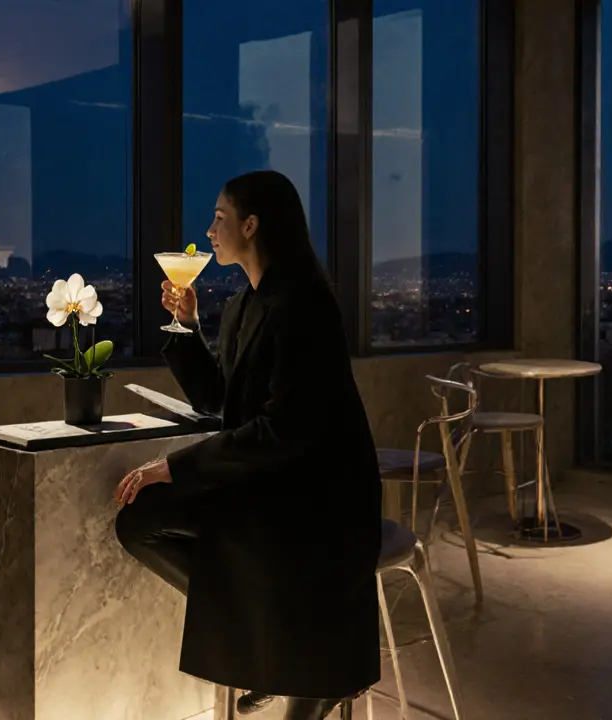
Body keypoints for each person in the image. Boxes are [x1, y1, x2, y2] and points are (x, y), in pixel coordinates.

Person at [113, 170, 382, 719]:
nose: (209, 231)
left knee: (211, 526)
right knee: (139, 519)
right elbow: (217, 397)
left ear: (251, 225)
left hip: (318, 498)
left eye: (219, 217)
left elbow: (287, 428)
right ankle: (266, 641)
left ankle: (291, 660)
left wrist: (176, 467)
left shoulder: (305, 304)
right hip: (269, 482)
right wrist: (185, 326)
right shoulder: (242, 305)